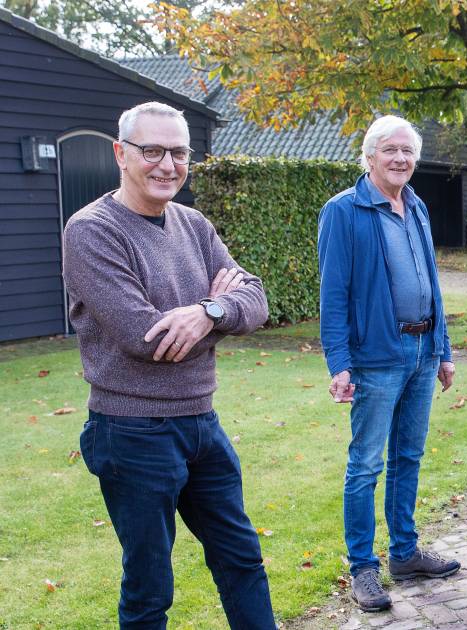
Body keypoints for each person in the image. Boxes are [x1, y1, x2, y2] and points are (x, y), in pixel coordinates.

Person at [62, 102, 274, 629]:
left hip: (201, 422)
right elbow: (145, 337)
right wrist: (220, 316)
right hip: (131, 432)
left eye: (179, 152)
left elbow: (257, 300)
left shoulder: (194, 224)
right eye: (151, 151)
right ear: (121, 154)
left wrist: (210, 311)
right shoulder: (91, 231)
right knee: (150, 584)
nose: (167, 165)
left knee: (242, 558)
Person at [317, 115, 459, 612]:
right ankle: (362, 568)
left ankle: (405, 553)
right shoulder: (344, 211)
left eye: (407, 152)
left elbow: (431, 283)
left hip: (422, 353)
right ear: (370, 155)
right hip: (375, 357)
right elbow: (333, 294)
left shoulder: (416, 205)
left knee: (409, 458)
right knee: (365, 465)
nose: (401, 159)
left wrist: (443, 350)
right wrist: (339, 361)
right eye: (390, 150)